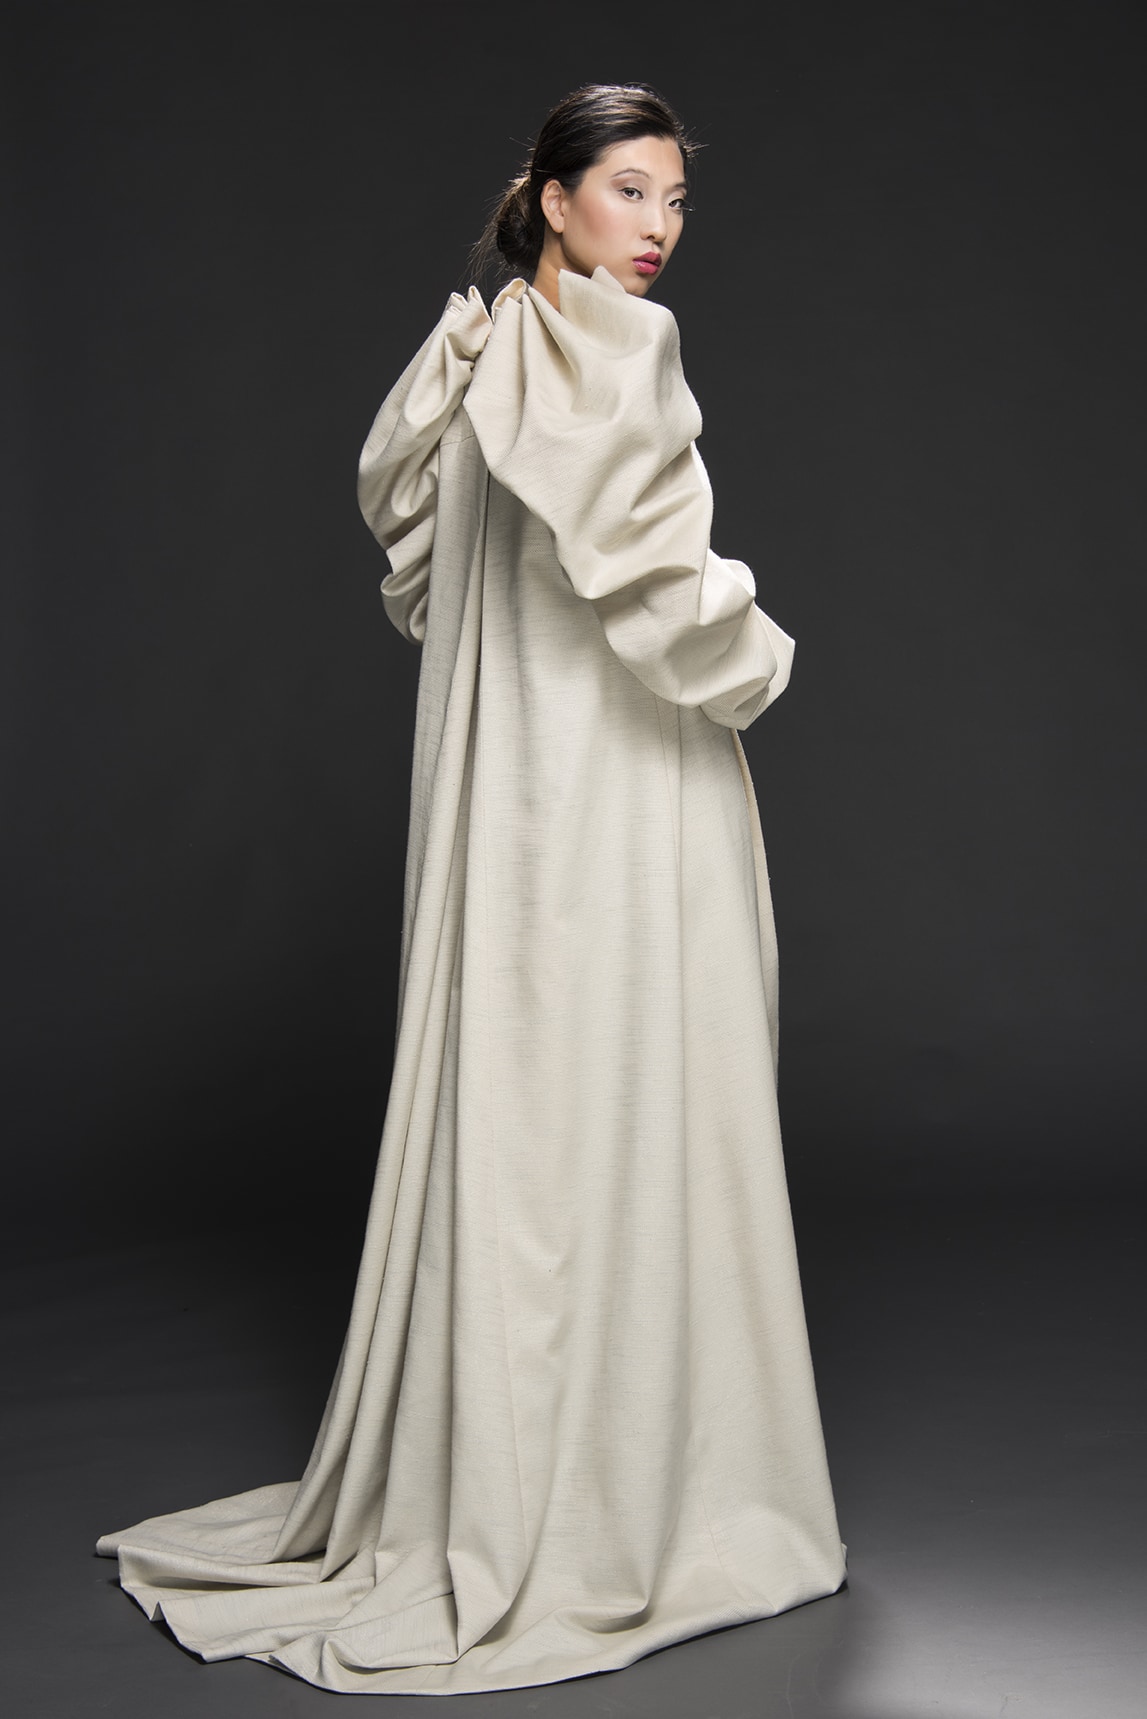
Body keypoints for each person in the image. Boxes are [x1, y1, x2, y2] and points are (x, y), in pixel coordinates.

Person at [96, 82, 847, 1695]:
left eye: (676, 200)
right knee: (632, 1094)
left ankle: (548, 1469)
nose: (659, 225)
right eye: (630, 190)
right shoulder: (604, 354)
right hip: (622, 792)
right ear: (554, 198)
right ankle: (619, 1491)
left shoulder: (484, 352)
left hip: (520, 800)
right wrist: (766, 657)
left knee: (543, 1097)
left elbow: (421, 553)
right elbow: (662, 582)